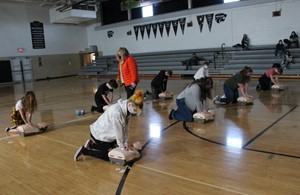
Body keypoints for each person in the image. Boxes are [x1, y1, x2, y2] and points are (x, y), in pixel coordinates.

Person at [74, 90, 144, 162]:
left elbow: (126, 128)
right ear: (130, 104)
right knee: (109, 155)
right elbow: (118, 131)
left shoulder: (127, 109)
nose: (135, 112)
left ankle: (92, 145)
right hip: (99, 134)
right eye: (135, 110)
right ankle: (85, 151)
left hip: (107, 133)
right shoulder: (117, 113)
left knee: (115, 147)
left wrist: (125, 143)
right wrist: (122, 147)